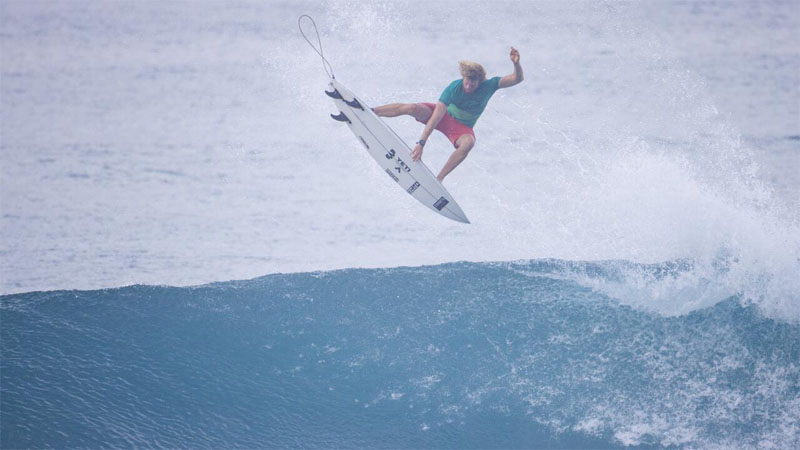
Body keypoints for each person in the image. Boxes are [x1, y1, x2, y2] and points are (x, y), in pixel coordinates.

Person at [373, 47, 524, 182]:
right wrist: (421, 143)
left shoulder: (489, 85)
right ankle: (373, 111)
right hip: (443, 117)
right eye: (466, 82)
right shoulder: (453, 88)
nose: (468, 87)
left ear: (480, 81)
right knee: (412, 107)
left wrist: (516, 64)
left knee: (468, 143)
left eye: (472, 84)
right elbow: (436, 117)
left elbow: (517, 79)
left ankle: (439, 179)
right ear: (463, 78)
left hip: (461, 127)